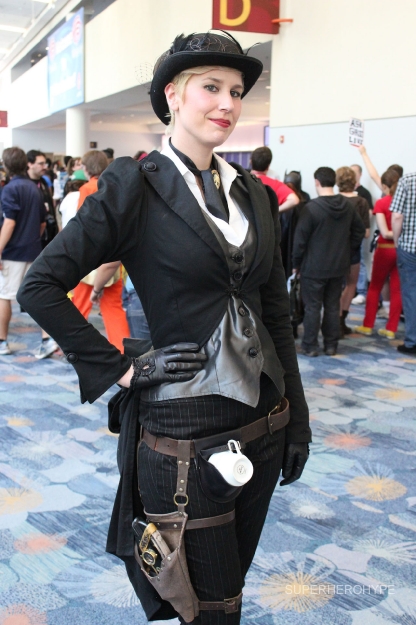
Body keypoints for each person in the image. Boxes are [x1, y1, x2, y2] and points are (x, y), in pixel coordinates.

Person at [17, 30, 311, 624]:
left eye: (236, 91)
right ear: (173, 95)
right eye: (211, 87)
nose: (227, 104)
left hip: (266, 422)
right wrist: (121, 369)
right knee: (207, 606)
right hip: (185, 432)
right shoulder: (135, 184)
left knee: (230, 588)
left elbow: (274, 314)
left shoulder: (253, 193)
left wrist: (298, 417)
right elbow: (39, 286)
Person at [292, 167, 365, 356]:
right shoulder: (347, 205)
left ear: (317, 182)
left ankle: (310, 346)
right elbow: (359, 231)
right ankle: (331, 345)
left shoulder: (311, 208)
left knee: (312, 307)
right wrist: (348, 251)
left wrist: (296, 263)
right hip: (339, 265)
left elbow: (300, 240)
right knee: (333, 306)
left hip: (313, 267)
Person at [70, 150, 130, 353]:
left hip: (90, 257)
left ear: (86, 168)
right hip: (113, 256)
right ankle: (123, 349)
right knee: (113, 308)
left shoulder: (87, 188)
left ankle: (75, 348)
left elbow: (83, 225)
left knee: (79, 306)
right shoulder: (116, 186)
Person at [0, 147, 57, 358]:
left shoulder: (10, 189)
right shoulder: (35, 188)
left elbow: (9, 222)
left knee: (4, 296)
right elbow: (42, 223)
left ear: (6, 165)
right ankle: (47, 338)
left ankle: (2, 341)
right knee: (36, 295)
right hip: (33, 250)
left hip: (12, 252)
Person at [355, 169, 401, 339]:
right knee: (397, 289)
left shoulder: (382, 203)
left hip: (385, 249)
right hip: (401, 249)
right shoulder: (405, 202)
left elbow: (385, 232)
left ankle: (368, 325)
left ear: (384, 186)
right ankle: (391, 329)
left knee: (374, 287)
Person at [336, 167, 370, 336]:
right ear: (354, 181)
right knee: (351, 285)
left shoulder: (333, 201)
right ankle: (341, 320)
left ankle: (334, 320)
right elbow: (366, 232)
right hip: (353, 250)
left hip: (334, 250)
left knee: (334, 287)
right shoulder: (361, 202)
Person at [391, 170, 416, 354]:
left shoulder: (408, 180)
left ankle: (412, 341)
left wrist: (396, 241)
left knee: (411, 295)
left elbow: (397, 216)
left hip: (409, 246)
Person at [250, 147, 300, 212]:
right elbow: (294, 200)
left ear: (251, 162)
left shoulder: (241, 180)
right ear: (268, 167)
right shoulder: (275, 184)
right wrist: (274, 212)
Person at [26, 149, 58, 247]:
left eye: (45, 163)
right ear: (30, 164)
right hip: (31, 235)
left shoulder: (43, 182)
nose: (45, 167)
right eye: (41, 164)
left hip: (48, 234)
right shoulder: (24, 185)